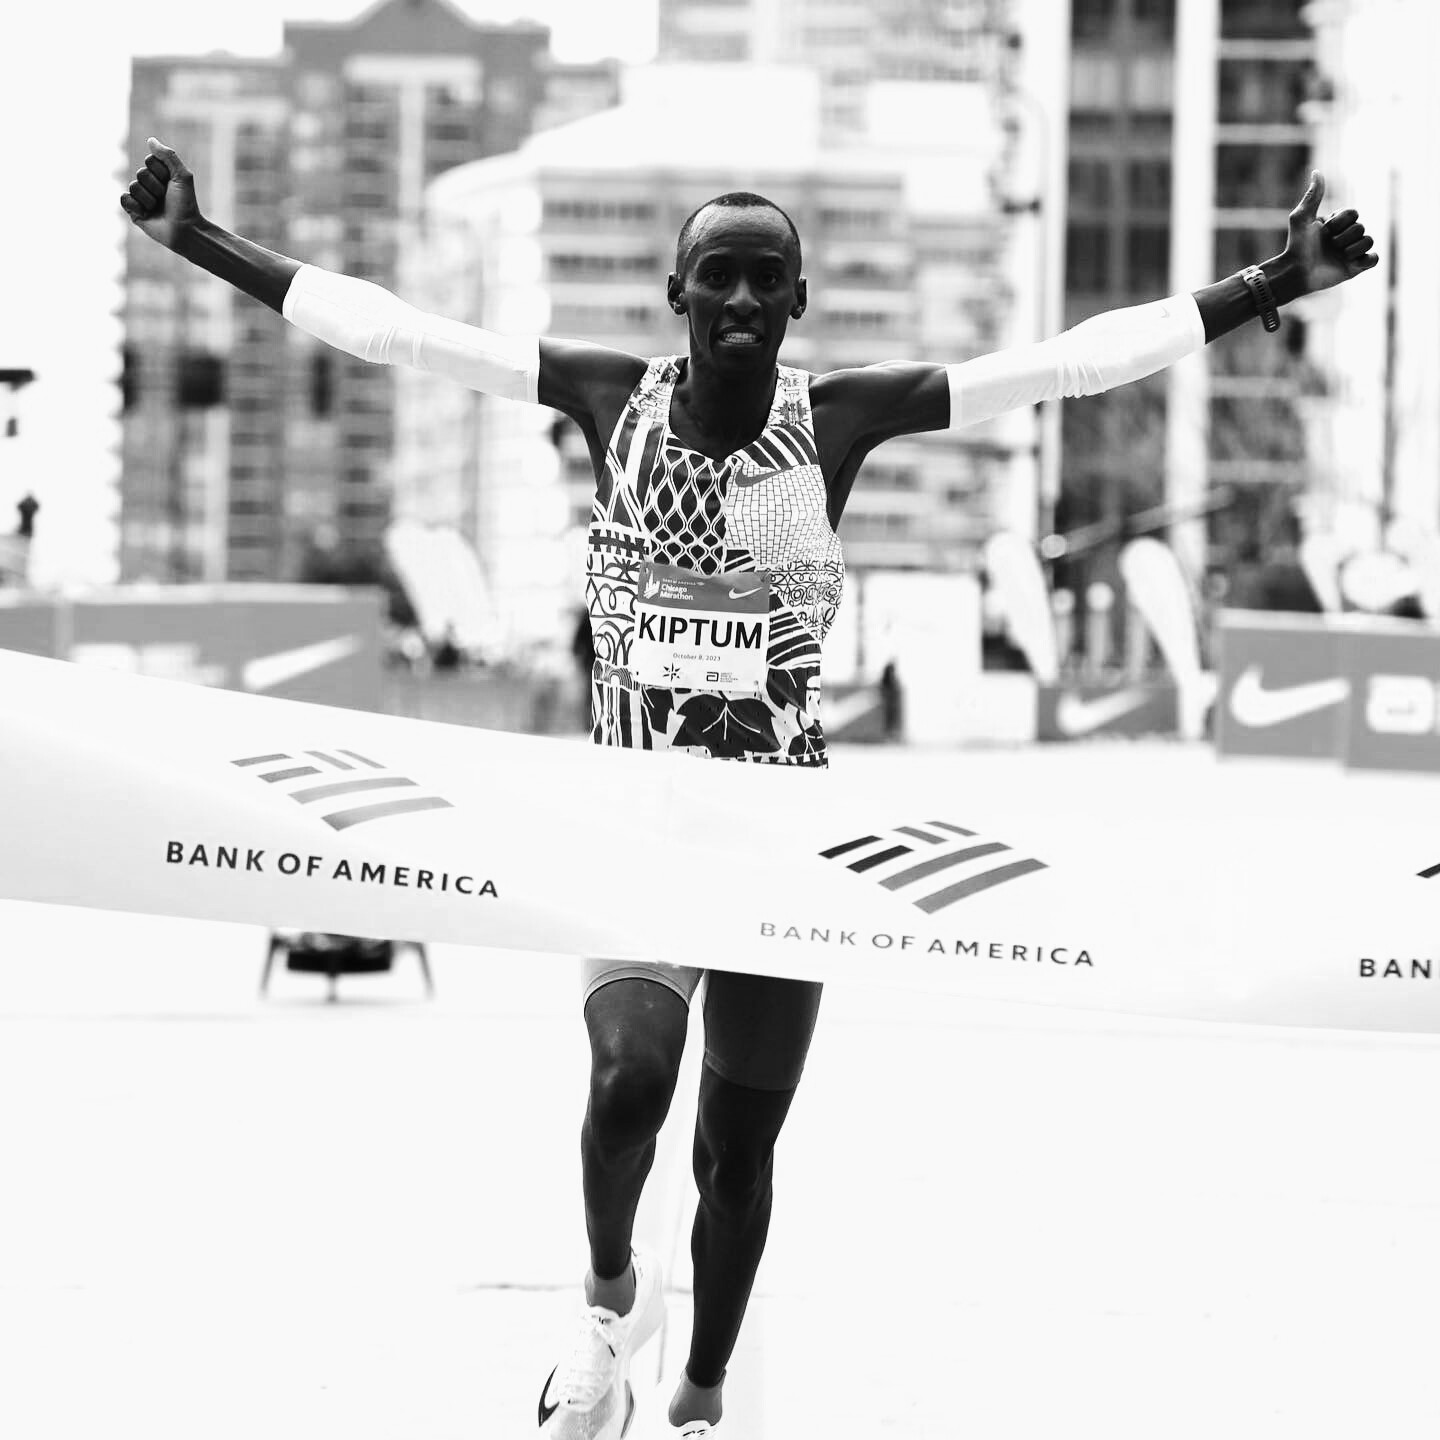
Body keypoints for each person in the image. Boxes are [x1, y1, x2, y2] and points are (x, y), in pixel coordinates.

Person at [120, 136, 1377, 1437]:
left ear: (798, 300)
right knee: (627, 1088)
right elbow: (398, 334)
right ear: (676, 291)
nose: (738, 298)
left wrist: (1271, 282)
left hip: (780, 846)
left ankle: (702, 1396)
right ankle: (609, 1306)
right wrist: (198, 241)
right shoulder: (609, 401)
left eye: (765, 278)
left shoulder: (837, 421)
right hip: (638, 832)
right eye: (715, 274)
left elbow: (1069, 362)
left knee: (737, 1153)